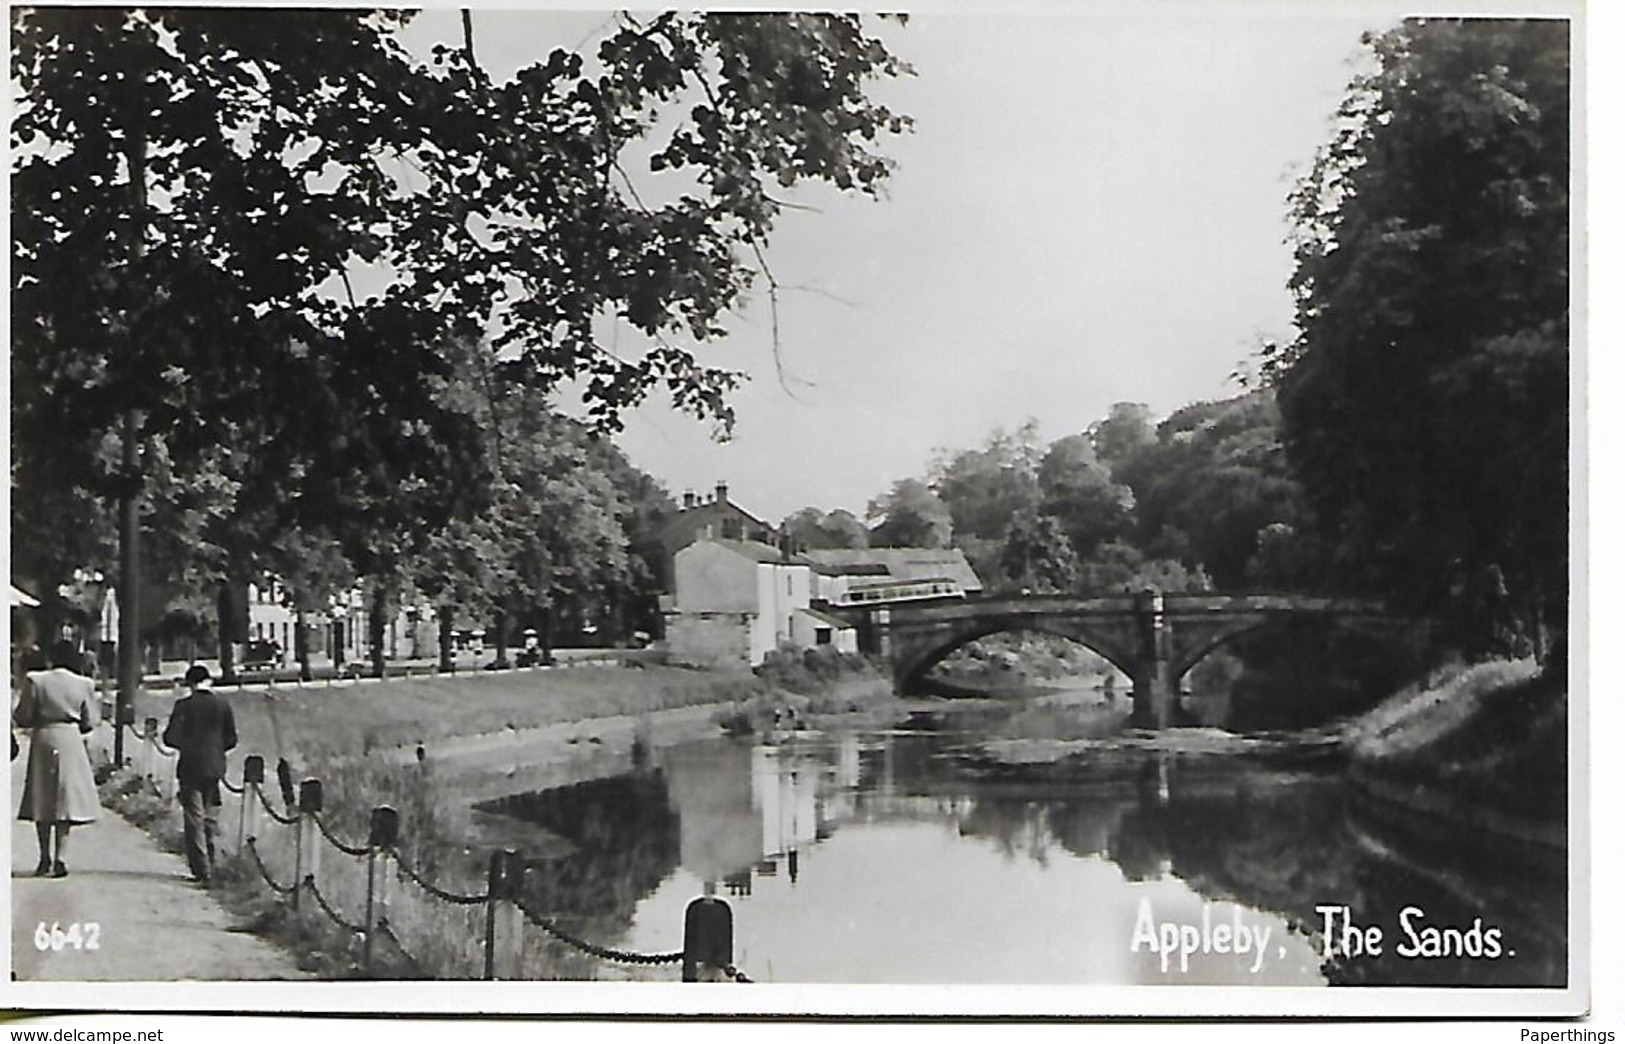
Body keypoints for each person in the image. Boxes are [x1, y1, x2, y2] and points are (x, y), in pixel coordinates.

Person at [15, 639, 101, 878]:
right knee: (65, 799)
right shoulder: (84, 684)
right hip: (70, 739)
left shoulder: (35, 680)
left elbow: (23, 716)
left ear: (50, 658)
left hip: (44, 737)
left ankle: (44, 858)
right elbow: (89, 721)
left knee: (42, 797)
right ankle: (61, 856)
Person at [163, 664, 238, 885]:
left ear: (190, 684)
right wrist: (216, 749)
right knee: (210, 815)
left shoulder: (183, 706)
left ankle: (201, 868)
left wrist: (187, 744)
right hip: (214, 766)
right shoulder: (223, 705)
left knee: (193, 817)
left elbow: (170, 738)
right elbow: (231, 738)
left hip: (189, 765)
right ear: (209, 681)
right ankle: (213, 862)